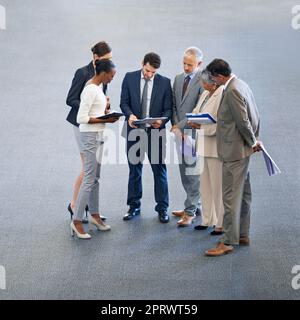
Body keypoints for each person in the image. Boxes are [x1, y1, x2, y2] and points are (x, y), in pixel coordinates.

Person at [204, 59, 262, 256]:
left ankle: (227, 241)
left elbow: (243, 121)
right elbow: (255, 115)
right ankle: (243, 235)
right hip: (242, 151)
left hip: (234, 153)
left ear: (220, 76)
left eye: (213, 78)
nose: (212, 81)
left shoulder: (232, 91)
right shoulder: (241, 84)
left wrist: (253, 141)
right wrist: (253, 140)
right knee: (244, 195)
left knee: (229, 197)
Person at [120, 52, 173, 223]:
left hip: (155, 133)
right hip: (134, 131)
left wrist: (162, 121)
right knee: (134, 170)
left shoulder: (165, 83)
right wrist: (129, 115)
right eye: (147, 70)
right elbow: (124, 102)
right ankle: (134, 206)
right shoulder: (129, 78)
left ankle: (162, 208)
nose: (149, 75)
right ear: (142, 63)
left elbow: (168, 110)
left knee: (159, 171)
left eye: (153, 72)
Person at [71, 59, 119, 239]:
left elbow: (93, 112)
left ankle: (94, 215)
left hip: (98, 136)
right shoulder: (90, 89)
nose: (112, 79)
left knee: (95, 178)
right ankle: (76, 221)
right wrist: (106, 119)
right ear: (104, 73)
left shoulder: (98, 88)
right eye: (112, 76)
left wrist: (105, 111)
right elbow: (82, 117)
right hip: (90, 137)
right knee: (89, 178)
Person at [66, 41, 112, 223]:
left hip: (96, 125)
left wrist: (104, 107)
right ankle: (74, 205)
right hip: (82, 125)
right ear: (96, 57)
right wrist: (91, 108)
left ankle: (91, 210)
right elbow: (70, 99)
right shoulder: (83, 73)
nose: (109, 62)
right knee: (88, 169)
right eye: (106, 59)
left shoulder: (104, 73)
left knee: (92, 169)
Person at [188, 69, 224, 235]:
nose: (202, 85)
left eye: (204, 83)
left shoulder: (222, 95)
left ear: (213, 82)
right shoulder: (205, 94)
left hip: (215, 147)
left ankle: (220, 223)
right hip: (202, 145)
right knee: (205, 186)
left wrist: (201, 125)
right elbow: (196, 111)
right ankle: (207, 219)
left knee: (217, 187)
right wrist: (194, 119)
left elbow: (220, 122)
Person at [171, 47, 203, 227]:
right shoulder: (177, 79)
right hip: (179, 133)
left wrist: (180, 126)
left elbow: (199, 109)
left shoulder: (202, 81)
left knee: (192, 173)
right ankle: (194, 205)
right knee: (184, 171)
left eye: (190, 65)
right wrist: (176, 127)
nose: (186, 67)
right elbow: (174, 105)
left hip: (192, 133)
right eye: (184, 63)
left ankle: (190, 212)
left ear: (199, 64)